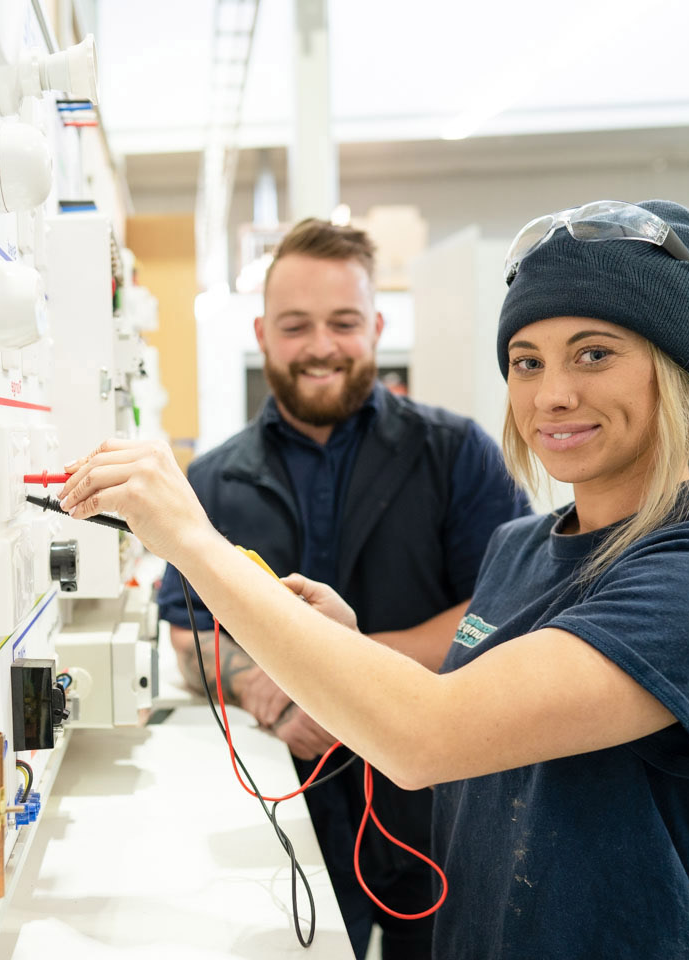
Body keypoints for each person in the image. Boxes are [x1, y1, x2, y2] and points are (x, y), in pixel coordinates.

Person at [58, 200, 689, 959]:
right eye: (526, 360)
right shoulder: (521, 548)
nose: (553, 393)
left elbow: (427, 734)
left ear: (680, 370)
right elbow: (477, 700)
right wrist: (346, 646)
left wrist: (194, 543)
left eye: (595, 353)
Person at [153, 217, 530, 959]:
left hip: (441, 802)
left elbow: (503, 610)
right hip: (291, 807)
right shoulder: (214, 482)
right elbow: (189, 632)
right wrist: (267, 688)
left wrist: (339, 677)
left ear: (376, 326)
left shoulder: (456, 455)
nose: (321, 345)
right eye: (296, 326)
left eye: (344, 322)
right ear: (263, 332)